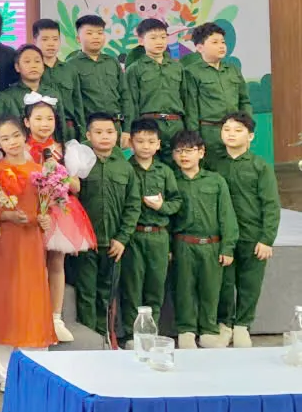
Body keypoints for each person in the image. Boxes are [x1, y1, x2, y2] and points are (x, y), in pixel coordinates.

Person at [0, 115, 57, 390]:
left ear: (24, 135)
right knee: (4, 298)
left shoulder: (38, 171)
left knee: (32, 298)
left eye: (16, 135)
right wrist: (6, 215)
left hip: (31, 242)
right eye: (5, 138)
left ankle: (33, 369)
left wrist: (44, 218)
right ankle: (4, 373)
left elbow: (45, 207)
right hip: (3, 242)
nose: (12, 142)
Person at [24, 97, 93, 344]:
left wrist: (58, 173)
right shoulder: (20, 148)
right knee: (31, 263)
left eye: (49, 118)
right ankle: (33, 314)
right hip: (31, 211)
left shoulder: (65, 150)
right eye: (38, 118)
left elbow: (76, 186)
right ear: (27, 122)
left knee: (56, 263)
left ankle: (55, 318)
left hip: (59, 210)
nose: (44, 124)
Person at [210, 113, 279, 348]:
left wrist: (267, 239)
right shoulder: (213, 164)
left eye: (238, 130)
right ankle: (224, 325)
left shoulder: (260, 166)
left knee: (250, 284)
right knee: (224, 284)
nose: (231, 134)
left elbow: (271, 205)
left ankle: (242, 326)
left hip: (252, 235)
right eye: (226, 129)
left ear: (250, 136)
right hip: (222, 237)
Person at [169, 129, 238, 349]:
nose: (184, 155)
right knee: (183, 289)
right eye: (179, 151)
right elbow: (167, 217)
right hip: (183, 244)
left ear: (201, 152)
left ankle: (208, 330)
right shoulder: (171, 181)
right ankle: (186, 330)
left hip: (211, 245)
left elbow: (227, 216)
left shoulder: (216, 181)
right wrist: (169, 248)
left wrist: (227, 247)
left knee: (211, 290)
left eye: (189, 150)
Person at [74, 113, 141, 339]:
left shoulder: (125, 167)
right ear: (88, 135)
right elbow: (71, 202)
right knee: (86, 294)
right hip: (85, 244)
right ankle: (89, 342)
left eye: (110, 132)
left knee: (107, 295)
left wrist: (122, 238)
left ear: (118, 135)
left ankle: (104, 338)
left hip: (113, 244)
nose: (105, 137)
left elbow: (133, 206)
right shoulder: (80, 165)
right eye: (99, 132)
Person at [120, 119, 181, 345]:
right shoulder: (126, 169)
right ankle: (131, 334)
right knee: (132, 287)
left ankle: (151, 334)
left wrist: (162, 206)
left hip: (159, 235)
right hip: (134, 235)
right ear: (131, 143)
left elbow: (176, 201)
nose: (145, 146)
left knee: (155, 287)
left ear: (158, 144)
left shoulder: (164, 172)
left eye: (151, 141)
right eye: (140, 141)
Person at [184, 22, 251, 162]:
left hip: (235, 132)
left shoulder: (233, 70)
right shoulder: (192, 72)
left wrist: (247, 128)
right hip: (209, 134)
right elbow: (191, 109)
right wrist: (195, 139)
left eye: (223, 42)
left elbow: (244, 101)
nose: (221, 46)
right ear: (199, 47)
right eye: (215, 42)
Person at [124, 18, 188, 159]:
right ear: (141, 41)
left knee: (178, 164)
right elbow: (130, 103)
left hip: (176, 125)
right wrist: (131, 130)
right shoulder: (134, 69)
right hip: (149, 126)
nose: (159, 42)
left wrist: (189, 129)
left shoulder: (177, 67)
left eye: (163, 37)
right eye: (153, 38)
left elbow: (186, 99)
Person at [64, 15, 128, 145]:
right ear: (78, 39)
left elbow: (125, 95)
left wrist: (127, 129)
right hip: (89, 128)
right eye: (89, 33)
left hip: (114, 126)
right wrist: (83, 131)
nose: (96, 37)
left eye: (100, 33)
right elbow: (73, 102)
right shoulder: (71, 65)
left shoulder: (112, 62)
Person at [0, 44, 70, 142]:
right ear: (17, 67)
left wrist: (62, 146)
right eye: (27, 62)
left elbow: (61, 126)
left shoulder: (53, 93)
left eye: (37, 61)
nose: (33, 65)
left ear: (43, 66)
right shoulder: (9, 96)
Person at [32, 18, 84, 140]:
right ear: (35, 40)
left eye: (55, 39)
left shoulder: (70, 69)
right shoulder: (31, 71)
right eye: (45, 39)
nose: (51, 44)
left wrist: (82, 133)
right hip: (41, 131)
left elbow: (78, 104)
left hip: (68, 130)